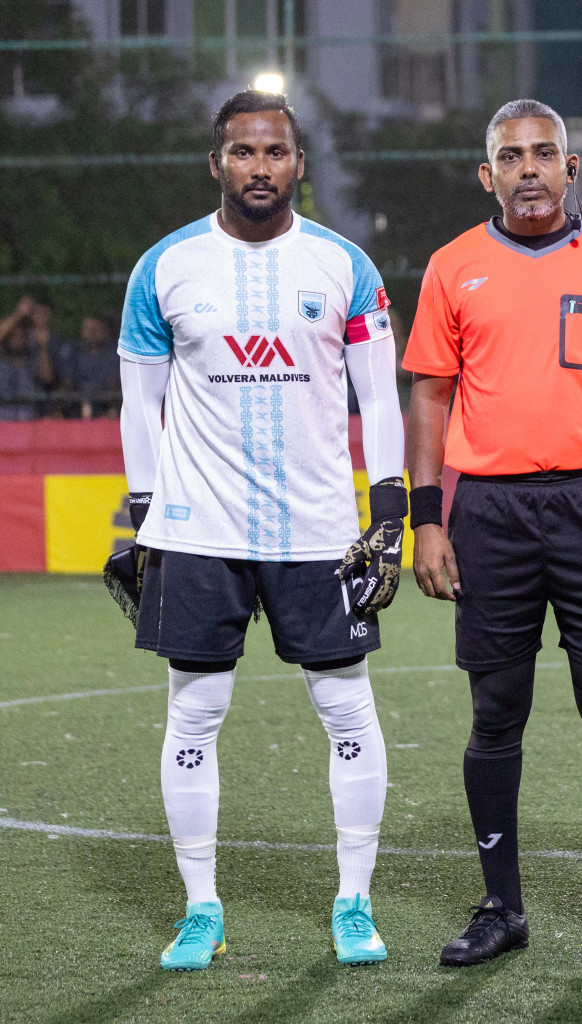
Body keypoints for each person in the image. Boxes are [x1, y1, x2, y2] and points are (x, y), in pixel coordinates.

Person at [118, 89, 406, 970]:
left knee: (345, 706)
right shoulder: (163, 267)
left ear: (298, 165)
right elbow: (140, 402)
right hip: (199, 529)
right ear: (217, 163)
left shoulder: (345, 265)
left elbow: (379, 394)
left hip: (318, 530)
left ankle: (353, 902)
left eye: (275, 152)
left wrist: (388, 508)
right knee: (195, 712)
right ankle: (201, 906)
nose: (259, 167)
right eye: (242, 152)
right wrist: (142, 521)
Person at [403, 98, 582, 967]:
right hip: (488, 510)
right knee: (496, 712)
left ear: (571, 169)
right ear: (488, 175)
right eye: (511, 157)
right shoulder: (453, 267)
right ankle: (501, 907)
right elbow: (431, 396)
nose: (529, 169)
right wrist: (428, 519)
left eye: (544, 154)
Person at [57, 314, 123, 418]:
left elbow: (114, 381)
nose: (91, 333)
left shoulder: (114, 353)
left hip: (106, 408)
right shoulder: (73, 352)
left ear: (104, 331)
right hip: (75, 407)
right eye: (88, 329)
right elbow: (67, 380)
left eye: (95, 329)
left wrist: (113, 408)